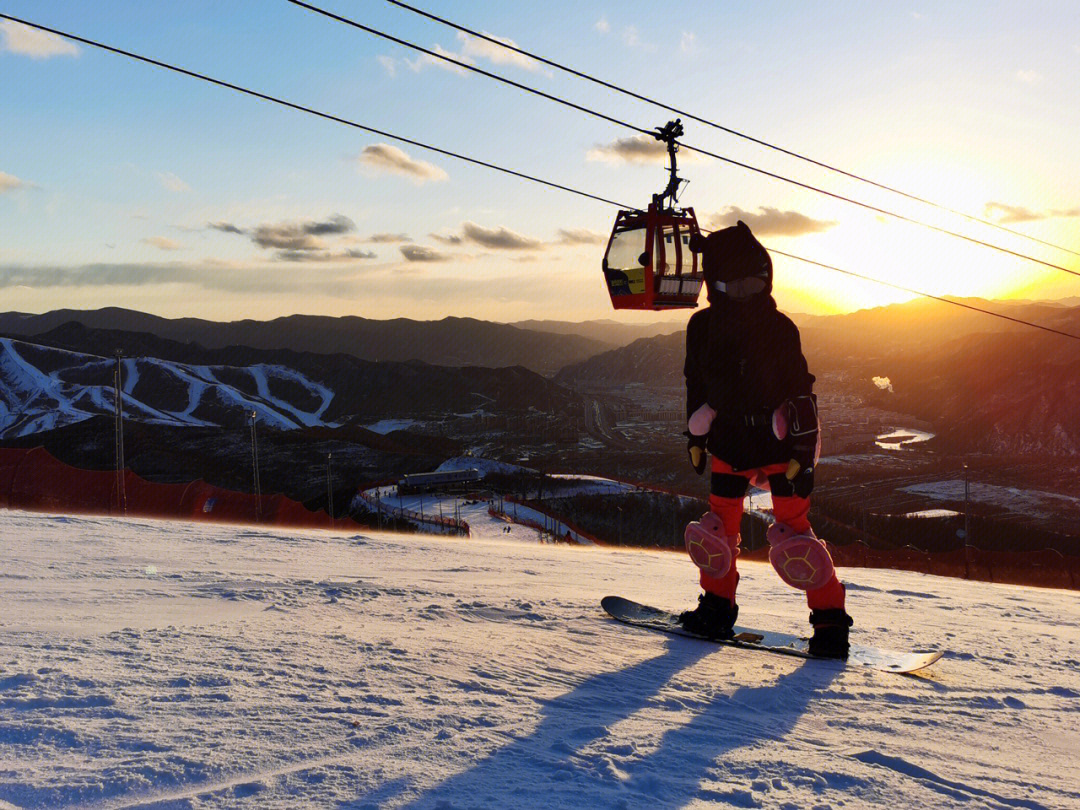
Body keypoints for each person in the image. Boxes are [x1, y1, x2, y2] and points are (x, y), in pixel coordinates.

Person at [679, 221, 852, 658]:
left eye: (752, 283)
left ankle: (830, 621)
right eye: (732, 285)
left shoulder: (779, 328)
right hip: (728, 442)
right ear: (714, 284)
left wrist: (802, 454)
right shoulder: (702, 327)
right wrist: (695, 434)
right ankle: (717, 606)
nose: (744, 293)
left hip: (776, 446)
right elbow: (695, 385)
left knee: (796, 539)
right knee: (717, 536)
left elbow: (800, 391)